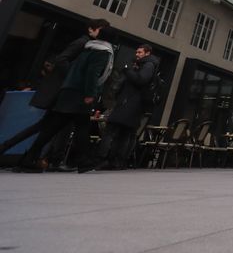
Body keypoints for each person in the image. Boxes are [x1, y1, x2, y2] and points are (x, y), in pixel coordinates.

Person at [0, 19, 110, 163]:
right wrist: (73, 77)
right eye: (100, 30)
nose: (102, 33)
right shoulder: (83, 43)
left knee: (46, 127)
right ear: (91, 29)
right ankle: (19, 152)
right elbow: (62, 59)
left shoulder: (90, 45)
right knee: (46, 127)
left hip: (68, 93)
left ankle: (28, 155)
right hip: (65, 92)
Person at [96, 43, 158, 170]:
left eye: (140, 52)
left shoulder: (148, 65)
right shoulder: (146, 65)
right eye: (136, 52)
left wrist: (127, 70)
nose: (137, 54)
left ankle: (103, 159)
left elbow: (141, 80)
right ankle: (117, 161)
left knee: (112, 131)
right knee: (125, 133)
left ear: (147, 53)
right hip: (132, 104)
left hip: (129, 103)